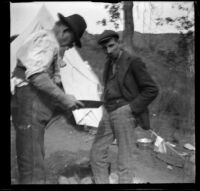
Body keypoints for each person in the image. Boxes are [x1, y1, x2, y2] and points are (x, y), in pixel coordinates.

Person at [11, 13, 87, 184]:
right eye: (73, 42)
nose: (71, 46)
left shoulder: (44, 39)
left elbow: (41, 75)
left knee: (31, 158)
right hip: (30, 105)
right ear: (66, 31)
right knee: (33, 167)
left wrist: (62, 99)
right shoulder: (48, 40)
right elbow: (37, 75)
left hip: (29, 104)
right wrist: (64, 98)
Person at [90, 30, 159, 184]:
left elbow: (152, 89)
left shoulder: (133, 61)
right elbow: (110, 86)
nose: (108, 51)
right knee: (96, 154)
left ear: (119, 43)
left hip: (125, 112)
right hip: (108, 112)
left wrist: (130, 108)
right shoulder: (108, 63)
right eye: (105, 48)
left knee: (124, 161)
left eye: (111, 46)